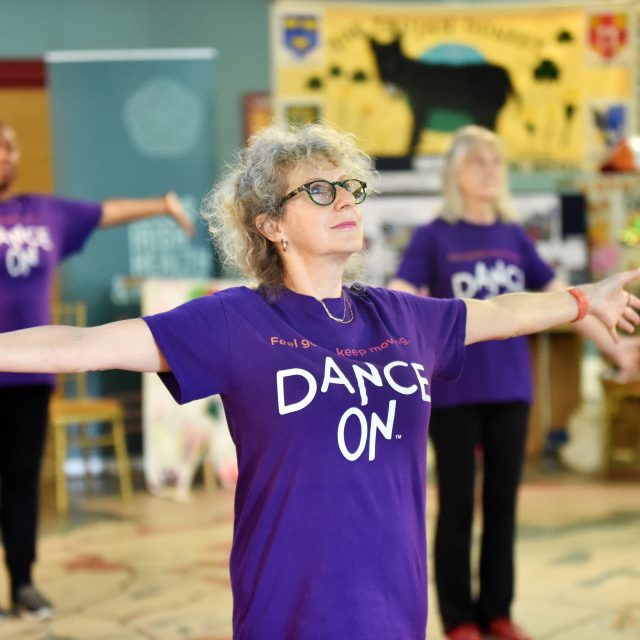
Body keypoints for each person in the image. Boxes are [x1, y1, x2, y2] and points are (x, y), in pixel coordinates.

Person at [0, 121, 637, 640]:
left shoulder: (399, 315)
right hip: (290, 614)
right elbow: (82, 346)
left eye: (348, 187)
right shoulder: (236, 321)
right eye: (319, 191)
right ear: (270, 225)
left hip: (396, 611)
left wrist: (586, 299)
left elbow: (500, 312)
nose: (344, 201)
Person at [389, 125, 640, 640]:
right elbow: (401, 297)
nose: (490, 171)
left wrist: (616, 347)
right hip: (452, 392)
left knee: (503, 505)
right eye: (478, 161)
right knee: (456, 506)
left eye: (496, 163)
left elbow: (568, 299)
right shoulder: (433, 236)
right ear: (456, 173)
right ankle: (459, 618)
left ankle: (497, 612)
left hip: (510, 389)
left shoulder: (513, 237)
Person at [0, 120, 194, 620]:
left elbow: (108, 213)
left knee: (20, 481)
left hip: (26, 376)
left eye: (9, 144)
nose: (4, 153)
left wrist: (164, 205)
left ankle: (22, 582)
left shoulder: (43, 213)